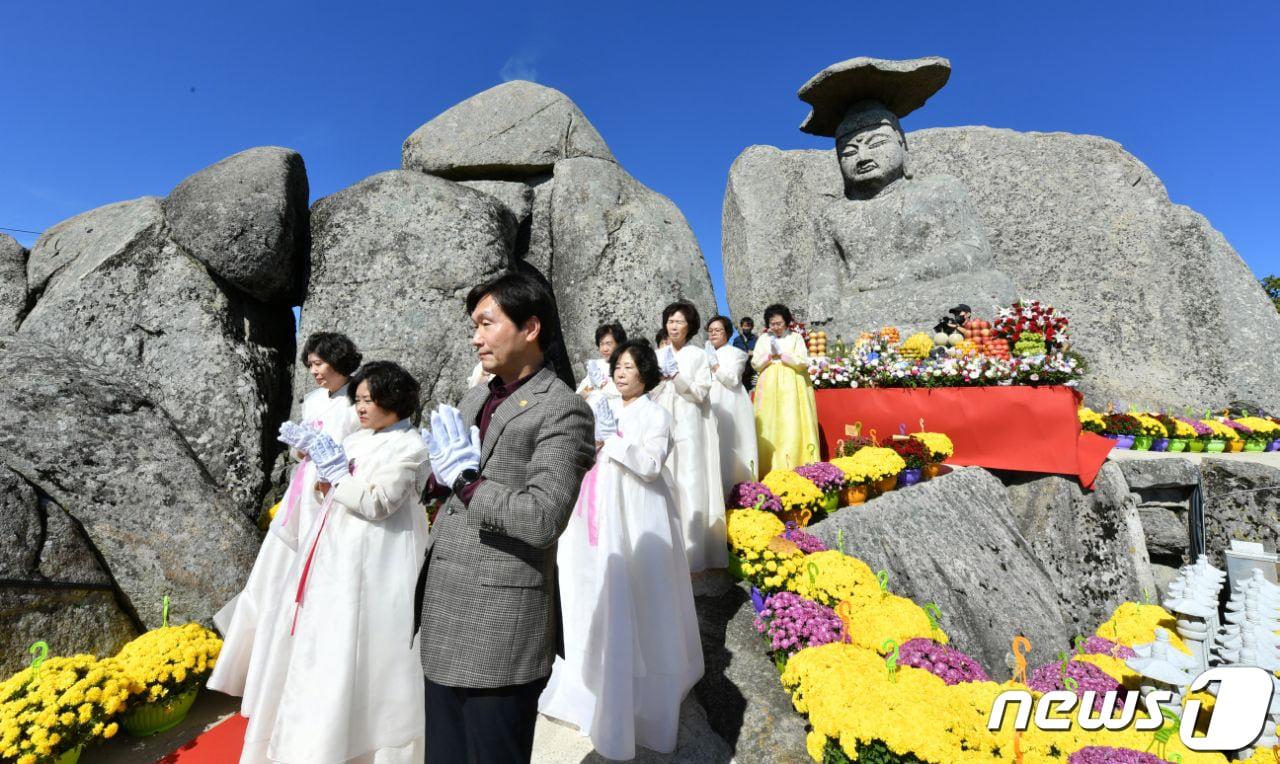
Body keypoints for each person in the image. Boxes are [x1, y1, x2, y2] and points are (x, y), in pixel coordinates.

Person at [415, 272, 596, 763]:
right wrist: (435, 475)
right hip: (446, 605)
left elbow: (542, 517)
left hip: (501, 623)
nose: (475, 337)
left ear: (531, 327)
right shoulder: (476, 396)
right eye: (473, 325)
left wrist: (467, 482)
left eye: (486, 323)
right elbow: (447, 481)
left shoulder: (563, 410)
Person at [239, 361, 432, 763]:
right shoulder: (360, 439)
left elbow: (379, 502)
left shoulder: (409, 445)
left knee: (372, 643)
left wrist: (337, 478)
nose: (359, 408)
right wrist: (323, 478)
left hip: (382, 556)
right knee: (329, 638)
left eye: (367, 400)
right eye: (357, 400)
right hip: (339, 550)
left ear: (393, 400)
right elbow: (329, 493)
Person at [539, 339, 704, 759]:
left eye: (630, 366)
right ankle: (591, 677)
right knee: (589, 591)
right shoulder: (601, 407)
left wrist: (614, 442)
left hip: (635, 519)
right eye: (618, 365)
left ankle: (639, 696)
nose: (621, 372)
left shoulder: (656, 414)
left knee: (637, 595)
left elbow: (651, 466)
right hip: (591, 514)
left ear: (645, 373)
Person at [209, 332, 363, 699]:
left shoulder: (356, 401)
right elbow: (299, 450)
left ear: (338, 360)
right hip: (302, 490)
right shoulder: (312, 401)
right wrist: (300, 449)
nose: (314, 372)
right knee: (276, 570)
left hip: (333, 490)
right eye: (310, 365)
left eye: (319, 364)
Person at [652, 301, 726, 572]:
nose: (673, 325)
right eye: (670, 320)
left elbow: (700, 393)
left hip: (689, 422)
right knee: (666, 476)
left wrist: (677, 378)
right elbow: (648, 392)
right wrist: (660, 381)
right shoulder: (658, 355)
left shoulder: (697, 355)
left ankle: (693, 551)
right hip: (662, 422)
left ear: (690, 326)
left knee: (690, 479)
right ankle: (666, 545)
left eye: (679, 321)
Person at [751, 303, 819, 473]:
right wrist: (769, 356)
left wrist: (783, 355)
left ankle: (796, 463)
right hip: (769, 385)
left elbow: (803, 361)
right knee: (769, 421)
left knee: (791, 420)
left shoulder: (795, 337)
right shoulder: (764, 339)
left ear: (786, 322)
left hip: (792, 384)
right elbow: (755, 363)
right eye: (772, 324)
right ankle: (769, 465)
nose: (776, 327)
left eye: (779, 323)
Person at [706, 315, 758, 490]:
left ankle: (740, 488)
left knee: (733, 443)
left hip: (731, 402)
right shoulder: (704, 353)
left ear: (727, 333)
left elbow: (733, 379)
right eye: (710, 330)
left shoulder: (737, 353)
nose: (713, 333)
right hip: (710, 402)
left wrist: (714, 365)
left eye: (718, 330)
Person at [576, 322, 626, 408]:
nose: (604, 349)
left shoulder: (627, 365)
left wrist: (600, 387)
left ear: (619, 344)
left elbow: (622, 392)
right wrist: (589, 390)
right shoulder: (597, 365)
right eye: (601, 344)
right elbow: (583, 391)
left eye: (608, 344)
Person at [731, 316, 759, 391]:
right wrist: (747, 353)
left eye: (748, 326)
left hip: (754, 370)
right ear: (741, 326)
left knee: (755, 392)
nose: (746, 328)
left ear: (752, 327)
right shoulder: (737, 340)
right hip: (742, 372)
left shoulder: (756, 339)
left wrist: (754, 353)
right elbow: (735, 354)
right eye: (744, 326)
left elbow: (761, 352)